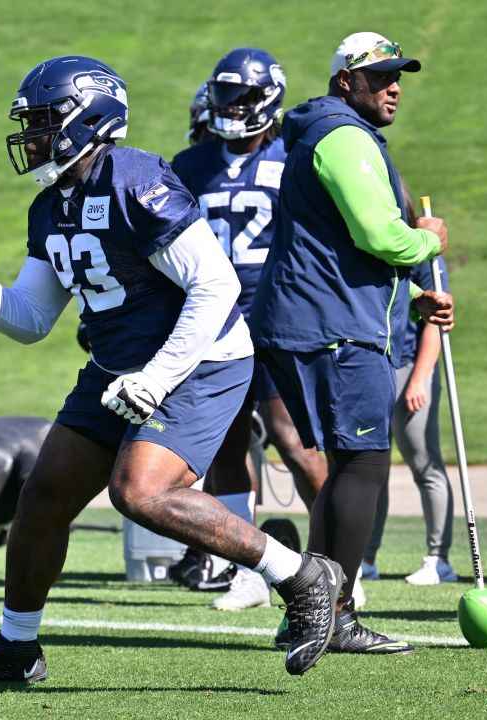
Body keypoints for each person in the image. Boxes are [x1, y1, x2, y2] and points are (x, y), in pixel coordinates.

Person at [0, 54, 342, 684]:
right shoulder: (51, 205)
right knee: (43, 497)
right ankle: (16, 651)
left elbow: (214, 285)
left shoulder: (135, 178)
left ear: (86, 118)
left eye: (43, 122)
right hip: (116, 367)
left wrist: (157, 377)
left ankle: (300, 573)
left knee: (141, 492)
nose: (32, 137)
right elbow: (33, 319)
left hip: (200, 359)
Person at [249, 32, 455, 655]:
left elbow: (348, 244)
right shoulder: (343, 136)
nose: (395, 85)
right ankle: (332, 615)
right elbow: (380, 235)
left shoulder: (329, 132)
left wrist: (413, 295)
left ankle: (312, 609)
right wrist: (428, 241)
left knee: (347, 467)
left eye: (400, 76)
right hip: (335, 327)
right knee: (363, 465)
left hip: (318, 320)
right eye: (382, 76)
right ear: (347, 82)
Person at [170, 48, 331, 612]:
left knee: (292, 439)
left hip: (277, 311)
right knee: (226, 444)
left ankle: (338, 562)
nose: (232, 108)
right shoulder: (189, 165)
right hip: (212, 318)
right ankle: (249, 571)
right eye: (225, 96)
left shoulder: (296, 155)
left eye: (242, 97)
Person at [362, 243, 458, 586]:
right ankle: (366, 558)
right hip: (374, 365)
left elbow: (435, 320)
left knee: (424, 464)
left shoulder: (422, 252)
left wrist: (419, 379)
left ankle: (438, 559)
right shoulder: (369, 242)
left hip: (410, 369)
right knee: (371, 467)